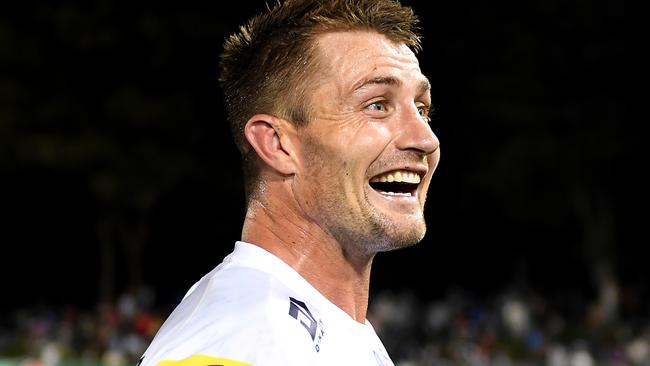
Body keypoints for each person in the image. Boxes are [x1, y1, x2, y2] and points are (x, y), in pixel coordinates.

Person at [139, 0, 440, 364]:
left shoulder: (322, 325)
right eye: (377, 104)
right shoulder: (244, 339)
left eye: (421, 109)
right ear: (277, 144)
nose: (425, 139)